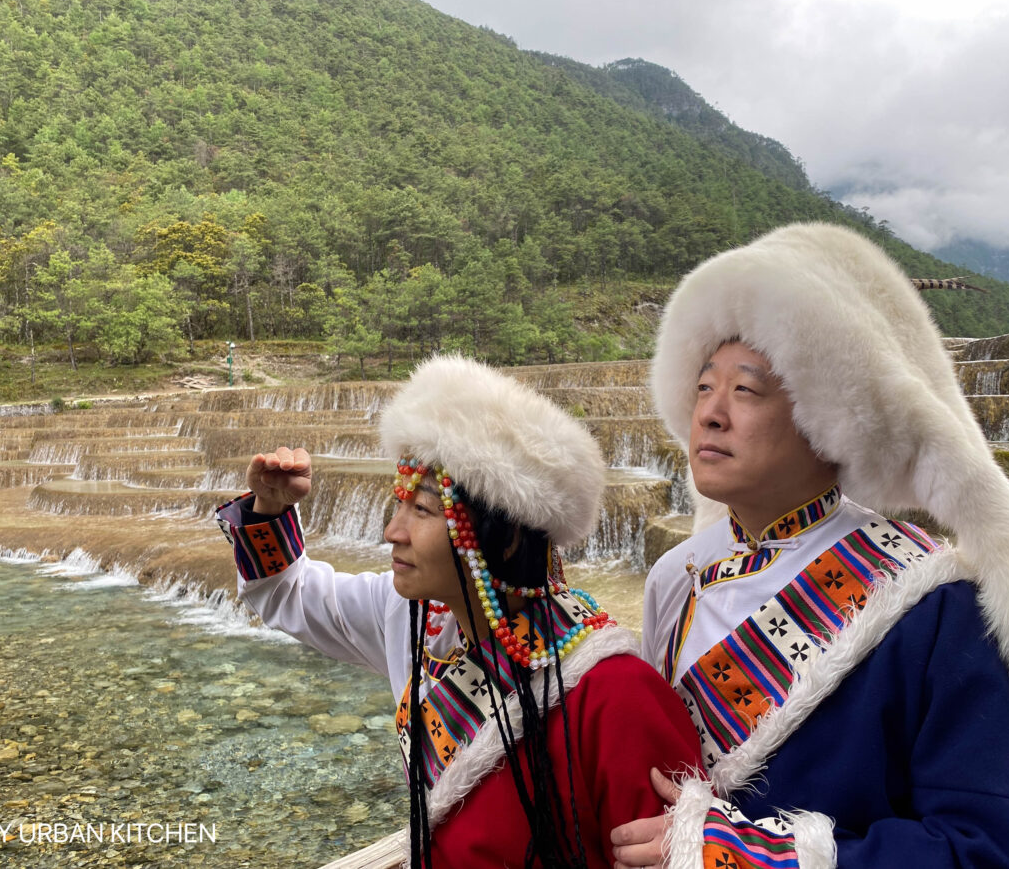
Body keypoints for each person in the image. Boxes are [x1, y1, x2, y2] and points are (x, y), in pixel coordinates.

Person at [609, 223, 1009, 869]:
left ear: (829, 416)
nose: (710, 412)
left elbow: (995, 850)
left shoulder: (936, 610)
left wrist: (750, 855)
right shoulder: (676, 580)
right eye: (705, 387)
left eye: (747, 390)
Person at [215, 354, 702, 868]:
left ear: (504, 537)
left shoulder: (615, 694)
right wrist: (269, 510)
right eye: (398, 504)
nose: (392, 531)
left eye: (421, 509)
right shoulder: (416, 619)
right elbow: (291, 597)